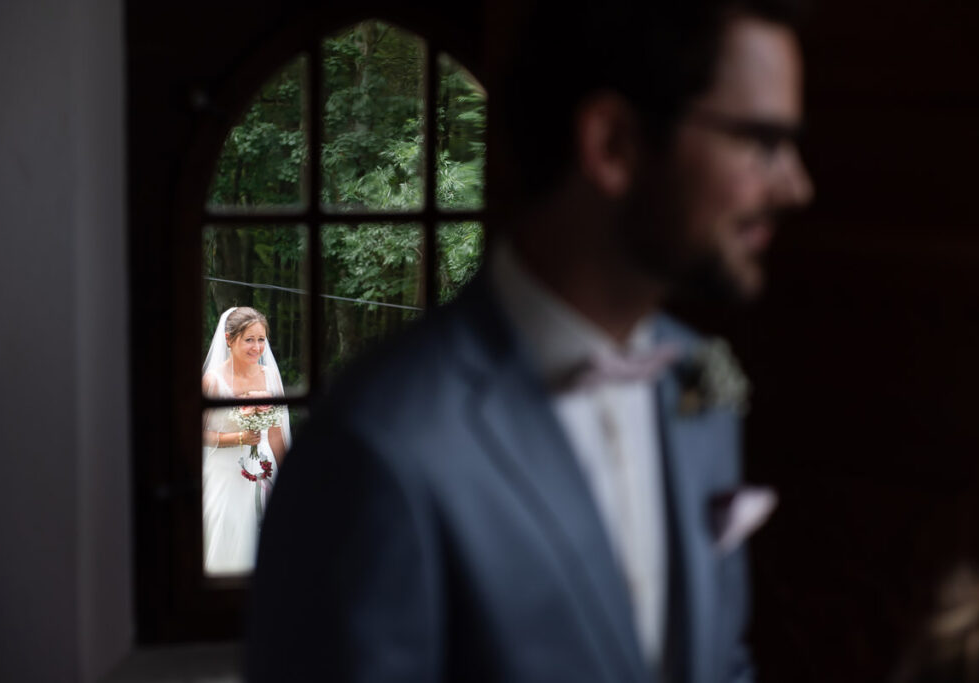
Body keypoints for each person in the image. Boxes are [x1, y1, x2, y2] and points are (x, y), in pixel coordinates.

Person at [249, 1, 812, 681]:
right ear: (614, 145)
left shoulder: (705, 375)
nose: (796, 186)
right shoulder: (377, 445)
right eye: (761, 142)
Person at [201, 306, 290, 575]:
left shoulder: (270, 376)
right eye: (248, 339)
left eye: (261, 339)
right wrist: (238, 437)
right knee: (227, 532)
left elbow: (275, 433)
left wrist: (288, 477)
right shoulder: (212, 381)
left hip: (263, 468)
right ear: (229, 340)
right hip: (224, 474)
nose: (256, 347)